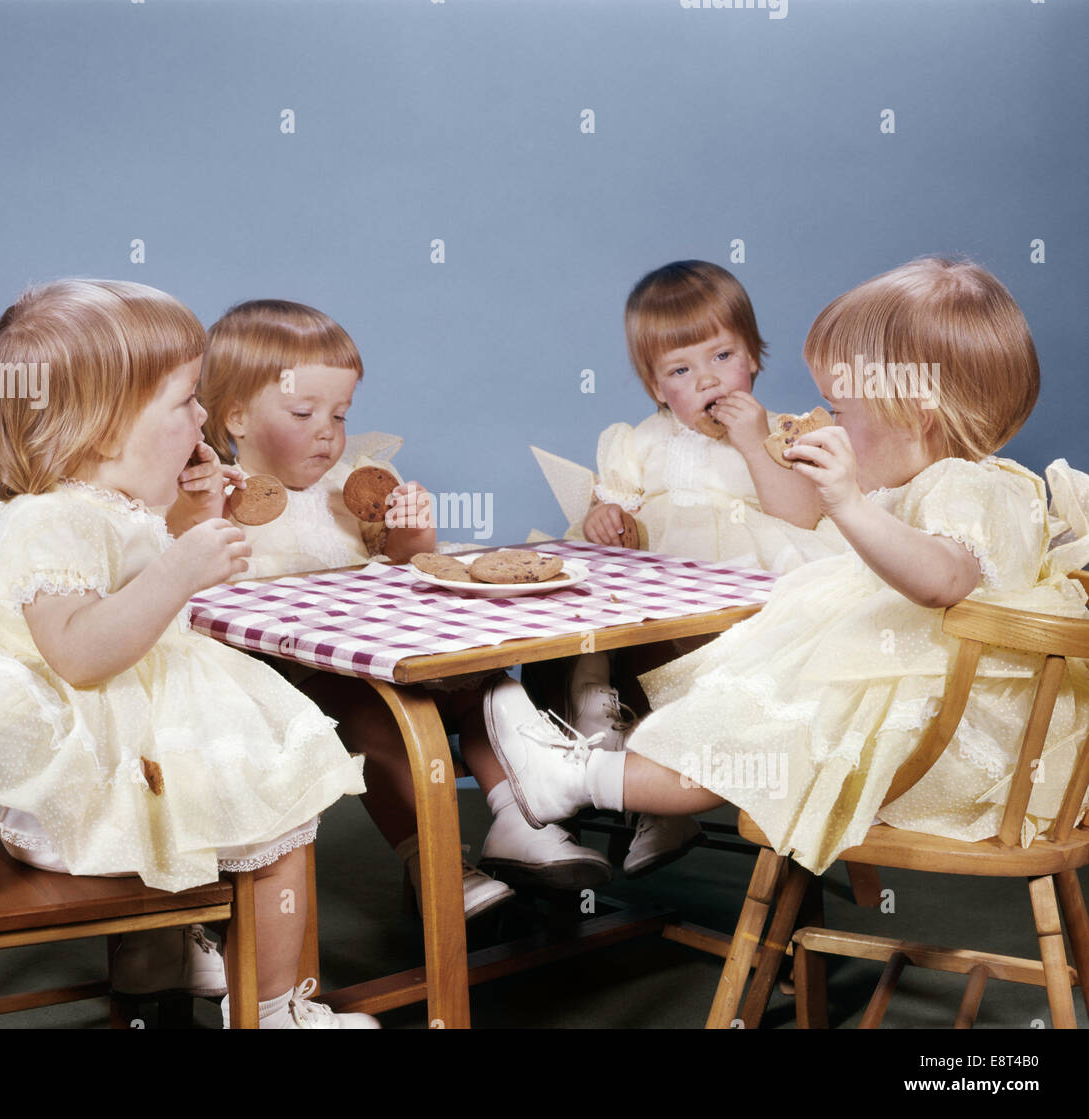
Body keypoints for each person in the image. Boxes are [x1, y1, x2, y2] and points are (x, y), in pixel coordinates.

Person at [0, 280, 375, 1028]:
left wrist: (192, 512)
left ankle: (156, 959)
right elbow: (78, 654)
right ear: (103, 431)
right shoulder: (49, 523)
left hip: (111, 751)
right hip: (69, 792)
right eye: (184, 401)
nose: (202, 416)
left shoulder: (101, 500)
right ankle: (270, 1011)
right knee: (277, 814)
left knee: (219, 773)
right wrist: (181, 567)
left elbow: (136, 560)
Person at [494, 258, 1089, 877]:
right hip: (911, 706)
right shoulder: (942, 483)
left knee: (754, 730)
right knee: (745, 715)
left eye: (841, 410)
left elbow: (944, 580)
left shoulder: (972, 486)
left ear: (914, 411)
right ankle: (593, 771)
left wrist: (849, 505)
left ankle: (577, 776)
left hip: (945, 735)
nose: (828, 422)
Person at [198, 299, 612, 911]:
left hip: (383, 653)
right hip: (294, 680)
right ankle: (433, 862)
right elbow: (196, 582)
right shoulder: (220, 499)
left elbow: (399, 567)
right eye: (304, 411)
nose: (326, 431)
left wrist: (412, 533)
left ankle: (519, 819)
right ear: (235, 416)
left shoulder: (350, 486)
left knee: (482, 681)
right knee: (373, 722)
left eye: (339, 415)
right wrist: (205, 520)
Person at [538, 261, 835, 875]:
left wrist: (754, 443)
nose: (707, 380)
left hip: (741, 601)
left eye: (722, 356)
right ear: (656, 387)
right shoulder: (642, 439)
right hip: (657, 590)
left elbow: (803, 515)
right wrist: (605, 512)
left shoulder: (784, 433)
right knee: (601, 603)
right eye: (680, 370)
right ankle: (623, 751)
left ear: (753, 355)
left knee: (702, 674)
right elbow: (613, 495)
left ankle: (657, 791)